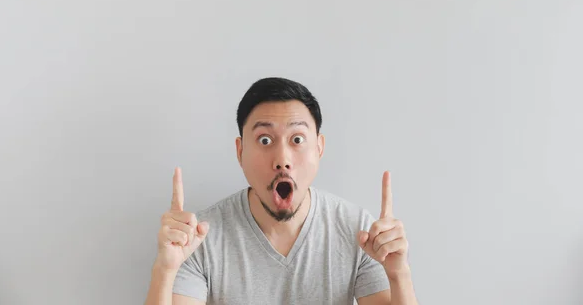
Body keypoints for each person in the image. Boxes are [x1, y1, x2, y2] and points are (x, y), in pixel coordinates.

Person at [144, 77, 418, 305]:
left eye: (297, 139)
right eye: (265, 140)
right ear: (240, 152)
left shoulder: (357, 231)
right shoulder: (199, 238)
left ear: (319, 148)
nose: (282, 159)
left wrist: (399, 274)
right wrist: (165, 270)